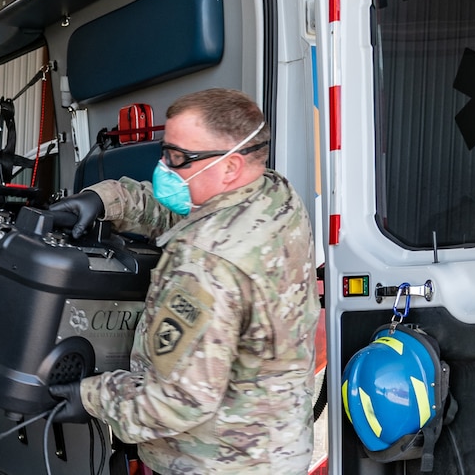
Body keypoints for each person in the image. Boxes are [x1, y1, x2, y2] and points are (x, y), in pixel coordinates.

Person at [46, 88, 317, 474]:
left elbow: (178, 401)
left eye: (178, 158)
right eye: (165, 151)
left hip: (215, 461)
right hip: (275, 447)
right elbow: (190, 211)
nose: (164, 168)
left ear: (230, 167)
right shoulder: (273, 194)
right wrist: (107, 201)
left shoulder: (206, 264)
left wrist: (91, 395)